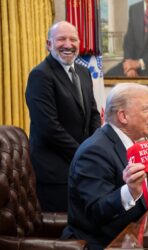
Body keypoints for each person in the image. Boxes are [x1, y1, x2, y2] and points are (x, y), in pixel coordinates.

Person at [61, 83, 148, 250]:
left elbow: (125, 185)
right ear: (123, 116)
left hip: (129, 235)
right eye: (146, 109)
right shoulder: (95, 152)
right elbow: (97, 212)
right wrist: (130, 191)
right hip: (103, 243)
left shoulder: (123, 142)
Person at [25, 21, 101, 212]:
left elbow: (92, 114)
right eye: (61, 39)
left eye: (73, 39)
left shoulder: (84, 72)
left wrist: (94, 147)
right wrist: (85, 154)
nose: (68, 44)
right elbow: (49, 128)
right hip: (55, 174)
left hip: (82, 167)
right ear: (49, 44)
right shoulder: (40, 75)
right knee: (64, 228)